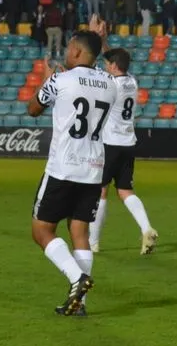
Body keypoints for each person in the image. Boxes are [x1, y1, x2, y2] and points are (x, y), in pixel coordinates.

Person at [26, 30, 110, 316]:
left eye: (69, 47)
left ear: (76, 52)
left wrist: (47, 78)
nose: (65, 52)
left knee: (41, 230)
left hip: (63, 167)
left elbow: (33, 109)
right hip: (93, 168)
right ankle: (79, 305)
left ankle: (77, 278)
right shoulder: (109, 83)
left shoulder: (60, 80)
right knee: (80, 232)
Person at [87, 47, 159, 256]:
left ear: (114, 66)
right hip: (128, 142)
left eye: (109, 64)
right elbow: (114, 61)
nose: (106, 66)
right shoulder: (132, 82)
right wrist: (103, 41)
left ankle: (93, 242)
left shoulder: (111, 86)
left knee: (100, 191)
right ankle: (146, 229)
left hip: (110, 143)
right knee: (125, 190)